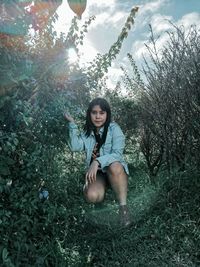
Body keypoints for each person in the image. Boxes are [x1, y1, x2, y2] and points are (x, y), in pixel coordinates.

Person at [64, 97, 131, 227]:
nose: (98, 116)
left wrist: (97, 162)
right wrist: (72, 124)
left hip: (113, 170)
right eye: (94, 113)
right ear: (89, 114)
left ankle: (123, 208)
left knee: (115, 166)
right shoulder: (87, 132)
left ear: (107, 114)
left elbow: (117, 154)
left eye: (102, 113)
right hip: (98, 174)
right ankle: (102, 190)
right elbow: (75, 146)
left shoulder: (114, 128)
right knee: (92, 196)